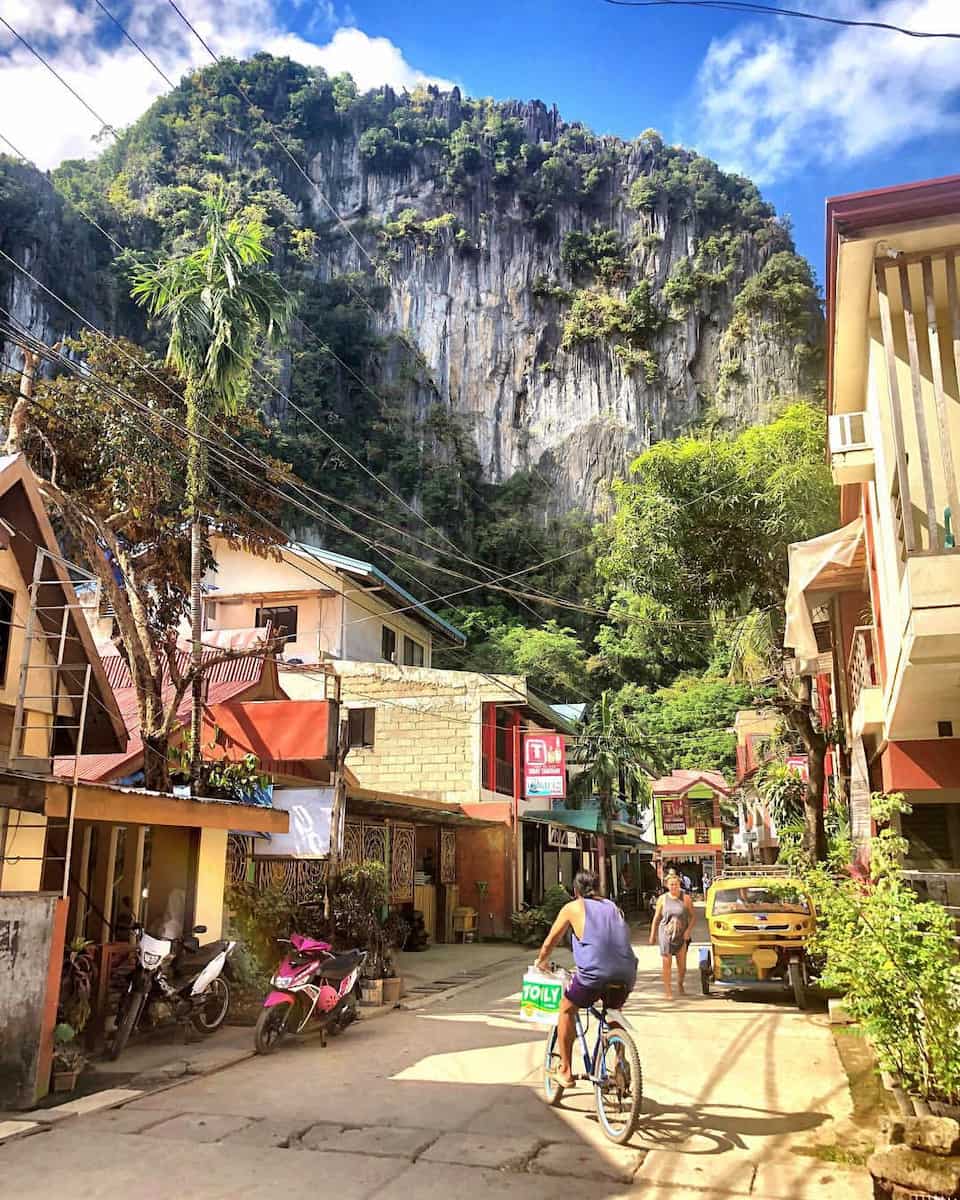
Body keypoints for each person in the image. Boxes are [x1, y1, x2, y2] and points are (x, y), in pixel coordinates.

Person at [535, 870, 637, 1090]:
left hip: (593, 973)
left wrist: (541, 962)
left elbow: (550, 941)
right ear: (598, 888)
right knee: (612, 1011)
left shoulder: (573, 907)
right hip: (626, 971)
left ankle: (565, 1070)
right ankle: (620, 1061)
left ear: (575, 890)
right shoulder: (613, 907)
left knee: (566, 1009)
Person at [649, 871, 695, 999]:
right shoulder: (662, 899)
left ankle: (680, 983)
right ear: (667, 885)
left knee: (682, 966)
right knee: (666, 963)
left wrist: (688, 931)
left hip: (681, 934)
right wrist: (652, 934)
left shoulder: (686, 898)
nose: (674, 887)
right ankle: (668, 990)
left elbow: (693, 917)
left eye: (676, 884)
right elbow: (656, 918)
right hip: (666, 934)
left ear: (679, 884)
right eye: (671, 884)